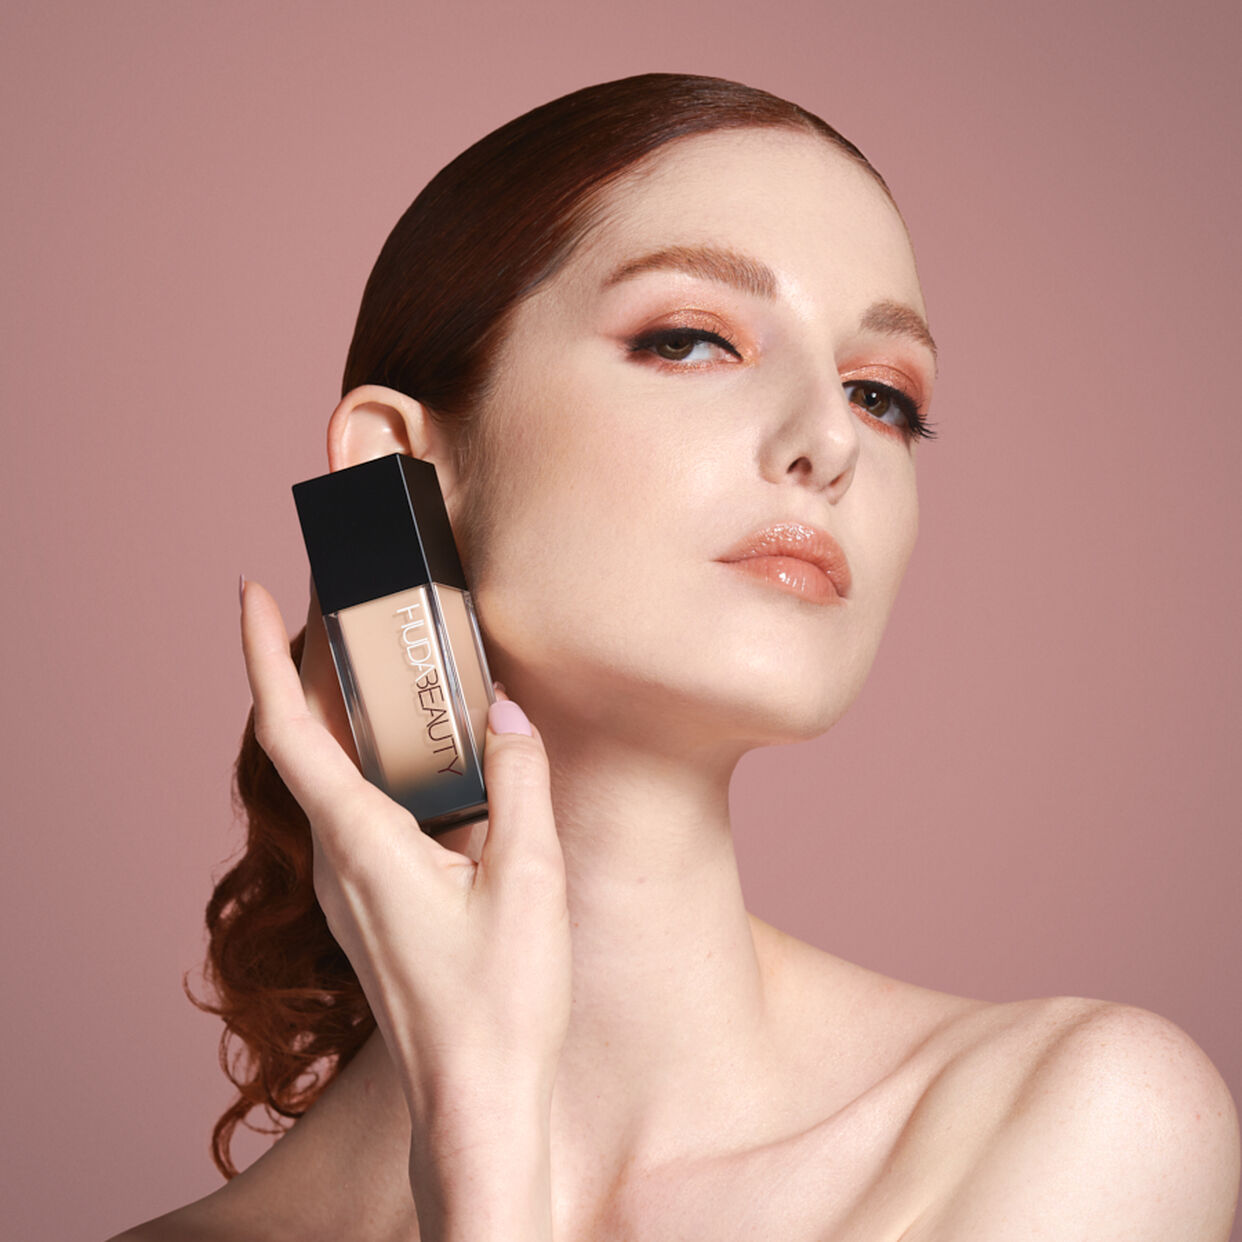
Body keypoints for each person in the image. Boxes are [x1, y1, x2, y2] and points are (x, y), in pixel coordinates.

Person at [111, 73, 1240, 1241]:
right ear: (398, 474)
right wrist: (474, 1118)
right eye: (692, 340)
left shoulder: (1080, 1126)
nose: (829, 441)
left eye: (882, 396)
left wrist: (486, 1156)